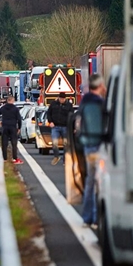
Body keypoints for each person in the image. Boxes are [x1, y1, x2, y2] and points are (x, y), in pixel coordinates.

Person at [79, 73, 106, 228]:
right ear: (101, 85)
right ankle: (96, 218)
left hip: (88, 146)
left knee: (90, 181)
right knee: (100, 182)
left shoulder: (84, 102)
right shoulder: (101, 103)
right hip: (100, 146)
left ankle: (87, 217)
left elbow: (78, 123)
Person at [47, 92, 74, 165]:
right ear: (58, 98)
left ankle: (65, 160)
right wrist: (50, 122)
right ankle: (56, 156)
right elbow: (49, 113)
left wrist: (71, 126)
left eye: (62, 99)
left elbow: (72, 116)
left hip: (65, 127)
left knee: (65, 144)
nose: (61, 100)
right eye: (60, 98)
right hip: (55, 126)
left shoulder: (69, 106)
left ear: (65, 98)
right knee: (54, 142)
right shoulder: (53, 104)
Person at [0, 95, 23, 164]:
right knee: (14, 143)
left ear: (7, 100)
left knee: (4, 143)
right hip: (13, 127)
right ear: (12, 100)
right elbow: (19, 119)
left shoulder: (3, 108)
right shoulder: (15, 109)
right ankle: (14, 158)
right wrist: (19, 128)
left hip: (5, 127)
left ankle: (5, 158)